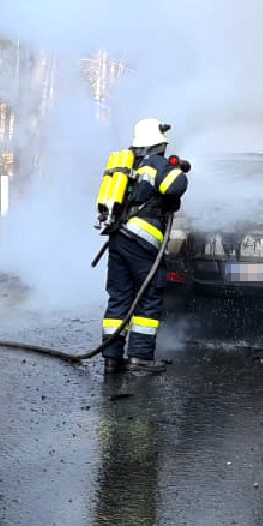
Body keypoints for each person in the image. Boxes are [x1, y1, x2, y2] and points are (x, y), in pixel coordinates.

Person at [95, 118, 189, 374]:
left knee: (120, 297)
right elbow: (175, 187)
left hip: (118, 238)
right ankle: (140, 357)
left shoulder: (126, 165)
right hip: (143, 240)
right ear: (159, 143)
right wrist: (177, 169)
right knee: (148, 295)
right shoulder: (157, 163)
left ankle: (112, 357)